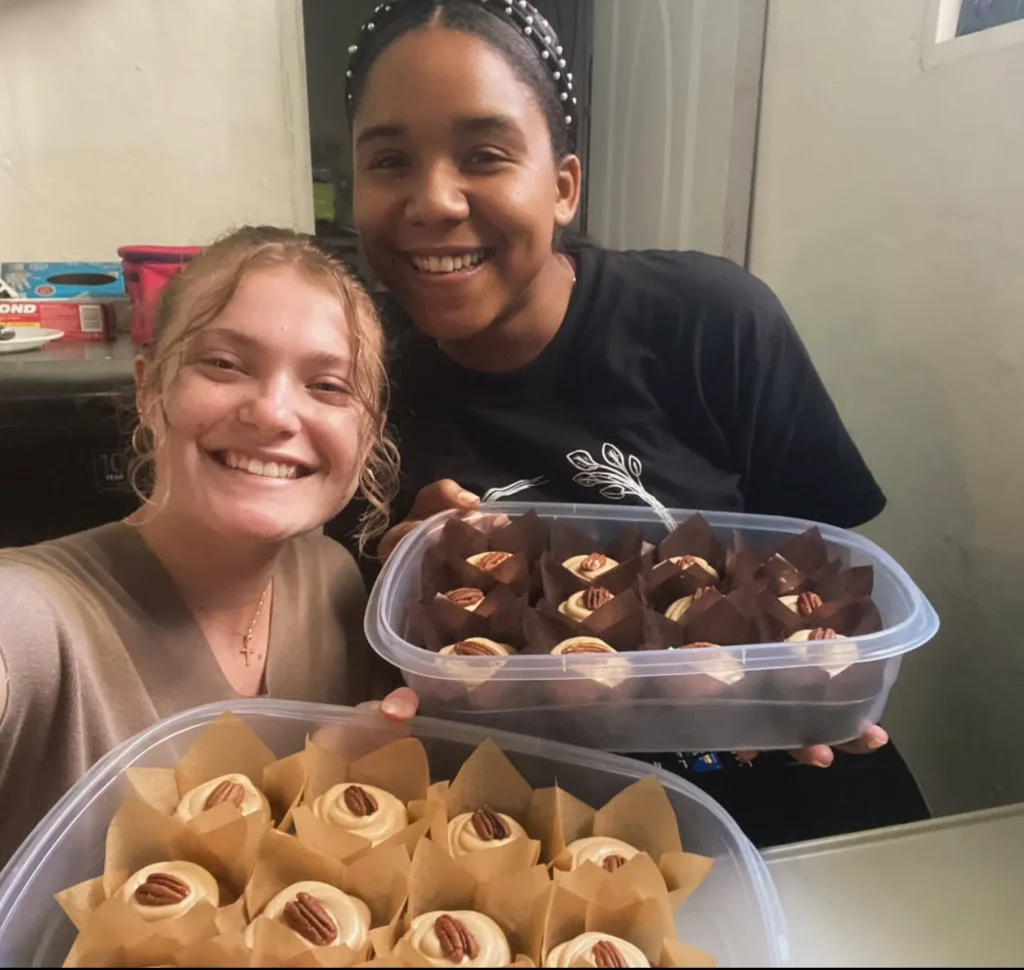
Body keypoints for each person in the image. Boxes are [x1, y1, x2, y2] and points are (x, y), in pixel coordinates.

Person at [333, 0, 930, 847]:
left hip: (773, 798)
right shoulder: (341, 385)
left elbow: (824, 582)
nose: (432, 201)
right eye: (389, 159)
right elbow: (344, 664)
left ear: (564, 185)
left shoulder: (711, 322)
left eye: (485, 155)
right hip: (514, 834)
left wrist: (796, 683)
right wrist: (409, 581)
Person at [0, 227, 417, 867]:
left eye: (329, 386)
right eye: (224, 364)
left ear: (369, 435)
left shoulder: (334, 583)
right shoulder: (36, 616)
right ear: (148, 389)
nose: (274, 413)